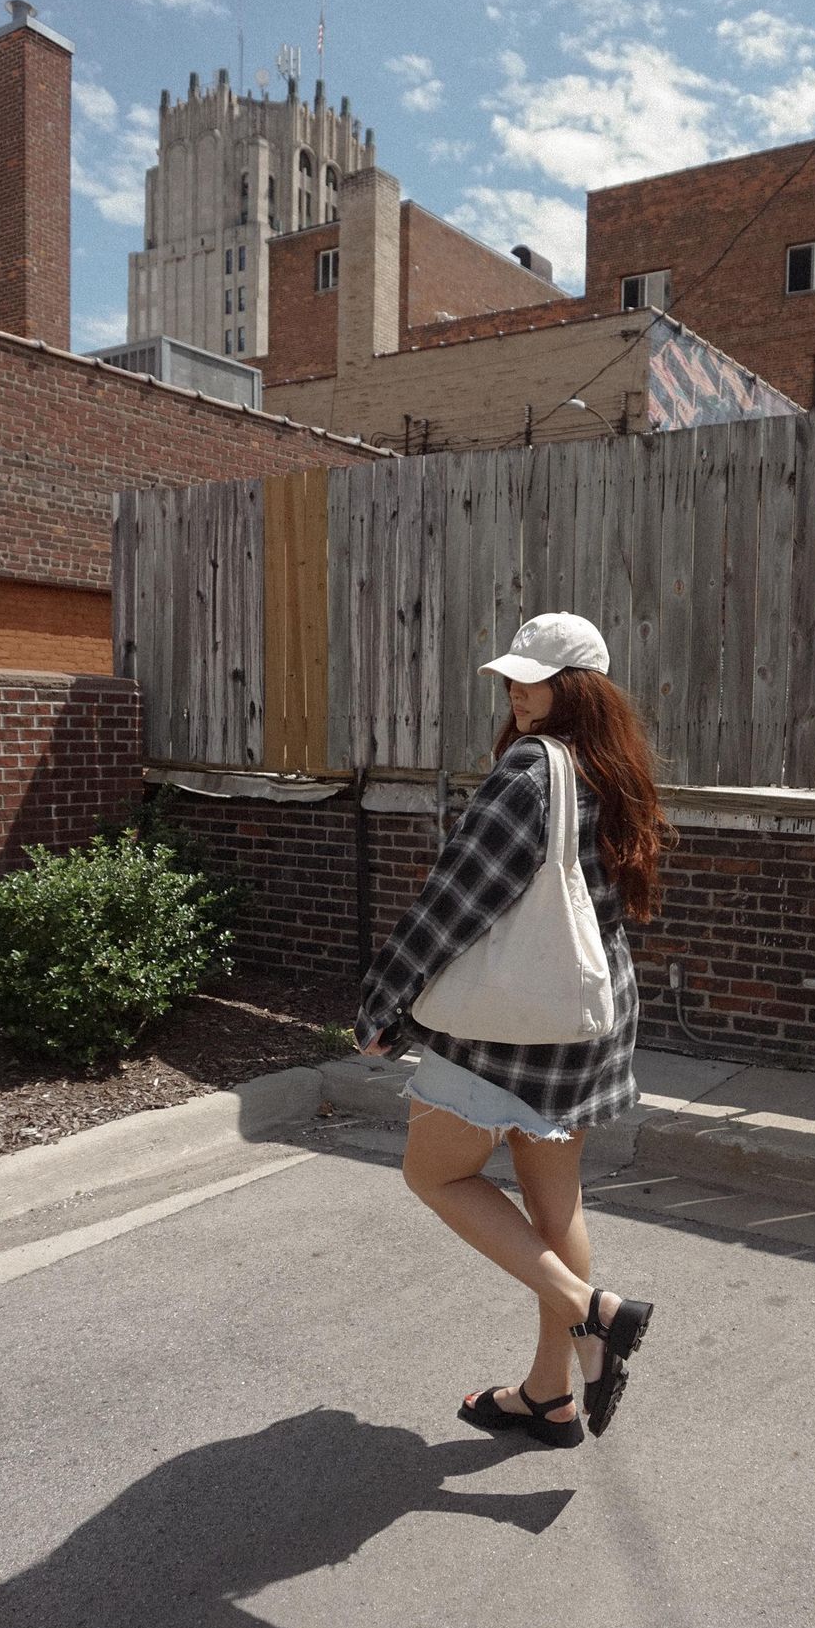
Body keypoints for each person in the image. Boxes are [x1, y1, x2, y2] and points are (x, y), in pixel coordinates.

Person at [355, 612, 675, 1448]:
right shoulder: (615, 769)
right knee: (553, 1205)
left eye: (532, 678)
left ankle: (592, 1312)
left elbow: (454, 901)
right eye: (511, 677)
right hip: (585, 1014)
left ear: (576, 687)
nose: (514, 691)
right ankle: (549, 1395)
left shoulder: (530, 773)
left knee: (435, 1174)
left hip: (510, 1026)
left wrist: (384, 1000)